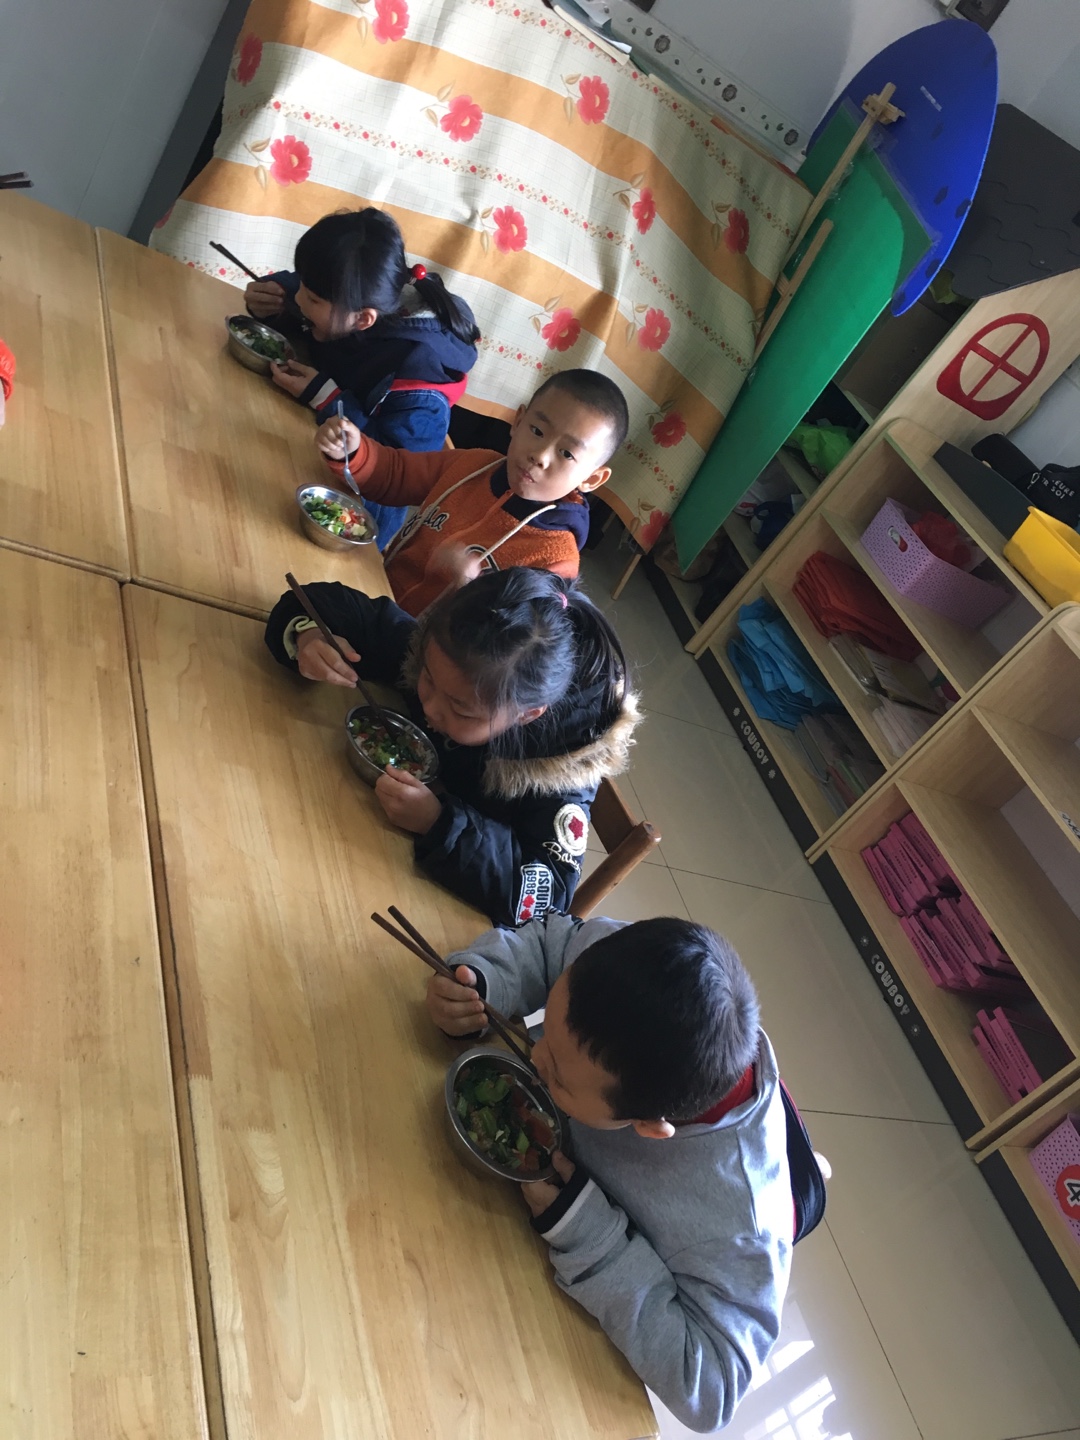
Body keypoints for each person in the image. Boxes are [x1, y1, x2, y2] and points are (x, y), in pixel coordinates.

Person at [426, 911, 792, 1435]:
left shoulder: (739, 1226)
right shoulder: (621, 963)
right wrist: (485, 983)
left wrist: (588, 1233)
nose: (534, 1052)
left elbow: (712, 1390)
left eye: (557, 1076)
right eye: (547, 1035)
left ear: (647, 1127)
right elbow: (552, 945)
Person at [264, 567, 641, 926]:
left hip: (410, 896)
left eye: (460, 709)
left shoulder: (559, 773)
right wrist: (308, 634)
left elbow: (545, 897)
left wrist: (439, 823)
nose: (430, 707)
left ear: (527, 714)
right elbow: (323, 602)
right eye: (427, 679)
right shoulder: (455, 652)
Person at [245, 207, 479, 544]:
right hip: (299, 443)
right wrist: (271, 296)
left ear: (363, 319)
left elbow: (398, 474)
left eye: (310, 297)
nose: (299, 299)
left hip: (352, 519)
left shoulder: (419, 383)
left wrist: (326, 397)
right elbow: (304, 292)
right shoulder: (351, 294)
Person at [313, 368, 629, 616]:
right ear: (517, 421)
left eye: (567, 454)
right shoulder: (473, 465)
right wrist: (354, 452)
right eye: (537, 431)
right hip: (371, 592)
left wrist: (470, 588)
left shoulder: (555, 561)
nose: (541, 455)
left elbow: (511, 646)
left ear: (592, 479)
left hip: (421, 661)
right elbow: (396, 474)